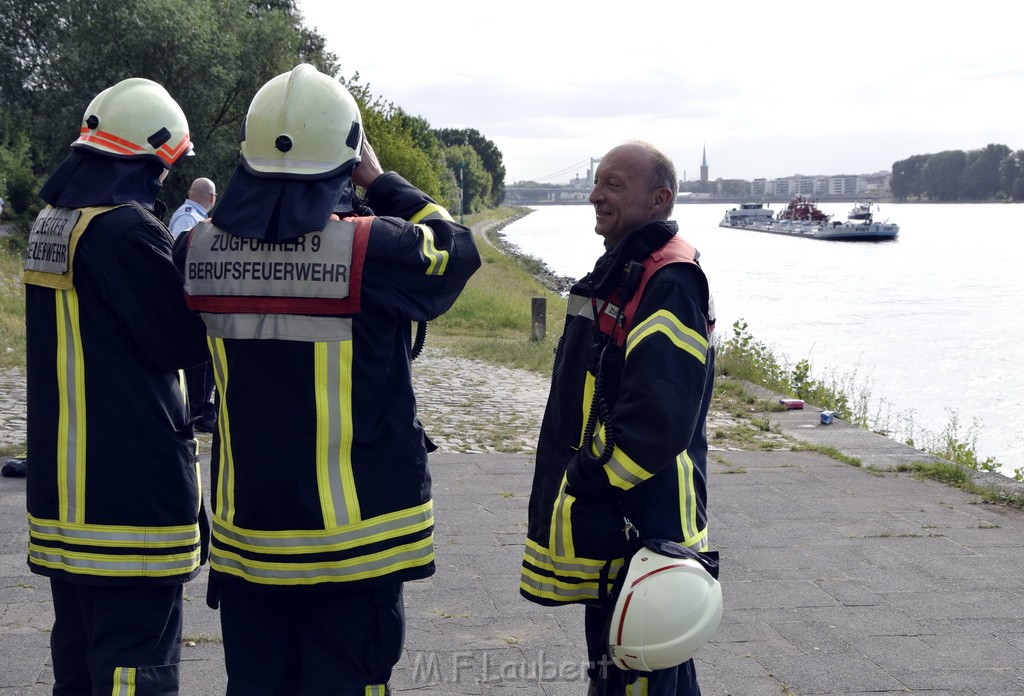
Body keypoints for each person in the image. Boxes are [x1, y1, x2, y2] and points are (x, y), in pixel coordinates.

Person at [174, 63, 481, 695]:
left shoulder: (196, 249)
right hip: (354, 545)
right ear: (346, 155)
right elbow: (455, 245)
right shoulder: (372, 249)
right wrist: (380, 178)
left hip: (248, 538)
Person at [21, 78, 210, 694]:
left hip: (64, 497)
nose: (163, 180)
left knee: (77, 664)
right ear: (145, 156)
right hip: (130, 501)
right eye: (163, 165)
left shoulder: (53, 223)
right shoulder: (126, 232)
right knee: (136, 669)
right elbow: (177, 343)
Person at [519, 141, 718, 695]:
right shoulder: (628, 268)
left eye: (613, 185)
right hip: (624, 520)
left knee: (638, 672)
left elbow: (657, 418)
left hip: (644, 519)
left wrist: (587, 476)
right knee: (635, 667)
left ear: (660, 200)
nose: (595, 194)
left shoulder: (668, 282)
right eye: (597, 181)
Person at [169, 177, 219, 431]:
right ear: (211, 198)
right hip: (191, 294)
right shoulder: (189, 218)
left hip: (193, 293)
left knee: (204, 360)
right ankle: (198, 411)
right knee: (200, 360)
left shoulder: (189, 215)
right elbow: (183, 258)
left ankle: (200, 408)